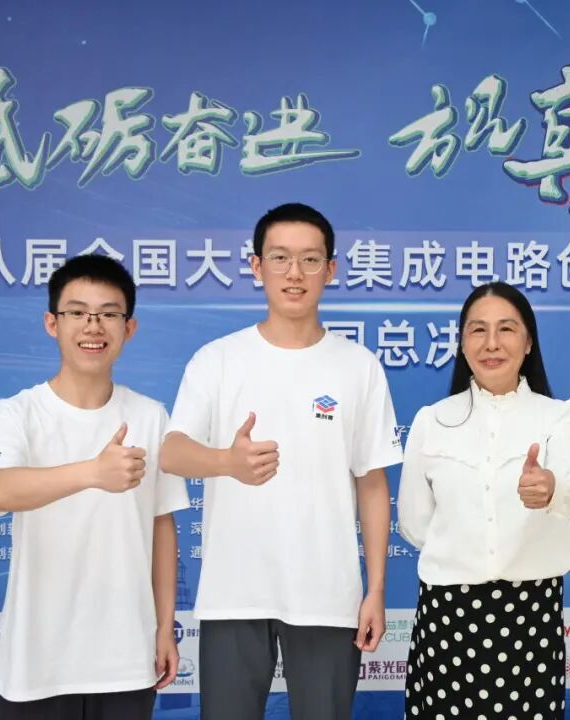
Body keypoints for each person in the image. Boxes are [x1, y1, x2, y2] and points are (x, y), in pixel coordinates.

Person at [159, 202, 402, 720]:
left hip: (327, 594)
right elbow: (172, 451)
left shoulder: (358, 367)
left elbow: (372, 483)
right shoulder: (218, 360)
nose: (295, 273)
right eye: (280, 258)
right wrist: (227, 461)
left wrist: (376, 589)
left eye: (310, 260)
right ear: (256, 266)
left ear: (330, 270)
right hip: (234, 592)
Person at [0, 254, 189, 719]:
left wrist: (164, 626)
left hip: (126, 660)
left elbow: (162, 527)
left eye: (108, 314)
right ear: (52, 323)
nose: (93, 326)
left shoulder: (151, 416)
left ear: (128, 328)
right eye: (77, 312)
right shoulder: (16, 413)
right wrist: (92, 472)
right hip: (34, 664)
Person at [398, 281, 570, 720]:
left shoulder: (558, 416)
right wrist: (464, 551)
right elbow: (415, 521)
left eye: (506, 329)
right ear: (462, 343)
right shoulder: (432, 421)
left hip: (529, 615)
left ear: (528, 342)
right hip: (448, 615)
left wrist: (550, 488)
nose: (491, 343)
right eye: (477, 330)